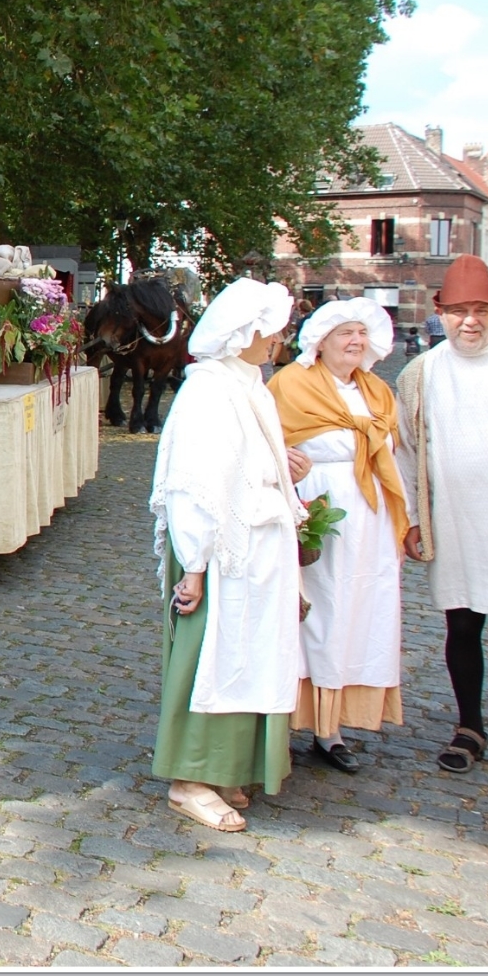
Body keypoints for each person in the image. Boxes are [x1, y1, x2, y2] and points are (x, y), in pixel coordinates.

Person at [149, 277, 309, 832]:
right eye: (271, 330)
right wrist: (194, 566)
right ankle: (190, 778)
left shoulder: (249, 385)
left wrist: (284, 468)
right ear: (242, 333)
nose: (278, 339)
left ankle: (227, 767)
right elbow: (193, 482)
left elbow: (249, 461)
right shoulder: (209, 391)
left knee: (254, 653)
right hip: (220, 552)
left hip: (256, 547)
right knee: (210, 658)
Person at [268, 299, 407, 773]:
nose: (355, 341)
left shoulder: (377, 391)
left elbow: (393, 453)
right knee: (313, 609)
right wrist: (287, 469)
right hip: (316, 506)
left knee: (358, 609)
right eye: (345, 332)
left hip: (370, 519)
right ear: (321, 341)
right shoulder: (290, 384)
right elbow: (265, 445)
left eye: (361, 333)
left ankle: (333, 728)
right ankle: (287, 720)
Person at [395, 254, 488, 774]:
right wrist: (413, 517)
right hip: (457, 519)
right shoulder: (422, 374)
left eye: (481, 310)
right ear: (440, 313)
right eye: (460, 311)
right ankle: (470, 727)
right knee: (462, 624)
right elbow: (406, 450)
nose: (471, 321)